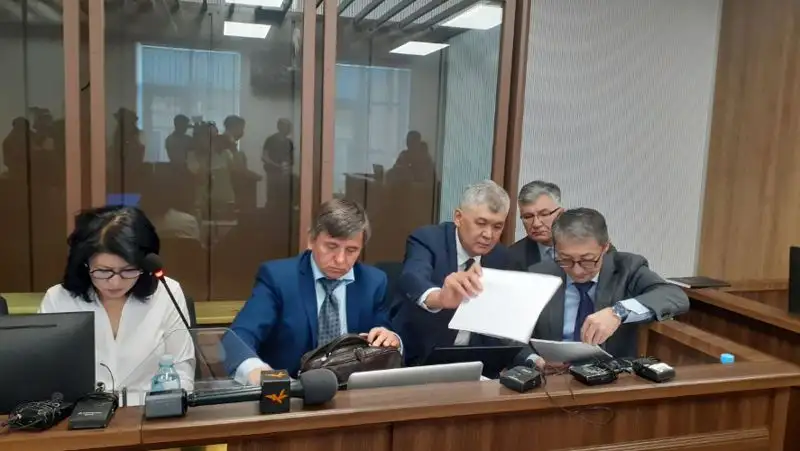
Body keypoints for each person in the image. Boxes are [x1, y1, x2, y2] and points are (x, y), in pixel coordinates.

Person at [228, 199, 401, 383]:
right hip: (289, 390)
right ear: (311, 240)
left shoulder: (373, 282)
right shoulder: (279, 278)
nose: (340, 260)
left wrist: (391, 339)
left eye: (351, 250)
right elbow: (237, 339)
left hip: (352, 389)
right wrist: (260, 375)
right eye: (331, 246)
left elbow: (385, 335)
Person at [38, 206, 195, 405]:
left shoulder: (167, 292)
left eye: (128, 270)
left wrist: (168, 409)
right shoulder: (58, 300)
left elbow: (182, 369)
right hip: (80, 416)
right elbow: (43, 377)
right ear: (85, 264)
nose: (115, 282)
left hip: (150, 414)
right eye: (103, 271)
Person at [519, 208, 689, 367]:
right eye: (565, 259)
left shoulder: (627, 268)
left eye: (587, 260)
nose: (577, 271)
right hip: (552, 377)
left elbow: (674, 296)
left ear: (605, 247)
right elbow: (514, 335)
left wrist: (618, 312)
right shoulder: (540, 275)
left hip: (613, 378)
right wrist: (534, 359)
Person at [392, 180, 512, 364]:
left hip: (476, 363)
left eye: (497, 227)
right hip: (420, 359)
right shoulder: (428, 239)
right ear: (458, 217)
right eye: (481, 223)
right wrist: (440, 297)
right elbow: (413, 277)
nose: (488, 234)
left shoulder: (501, 257)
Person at [508, 181, 563, 271]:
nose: (536, 224)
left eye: (544, 214)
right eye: (528, 216)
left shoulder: (583, 246)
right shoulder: (512, 257)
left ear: (560, 214)